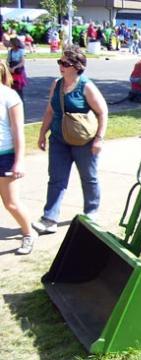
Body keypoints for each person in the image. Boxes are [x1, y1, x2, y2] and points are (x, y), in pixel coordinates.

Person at [32, 45, 108, 235]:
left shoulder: (86, 86)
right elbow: (50, 110)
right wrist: (42, 134)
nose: (61, 65)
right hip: (58, 139)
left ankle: (91, 212)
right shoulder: (56, 84)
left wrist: (99, 138)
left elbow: (102, 111)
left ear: (77, 66)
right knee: (56, 179)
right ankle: (50, 218)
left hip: (84, 141)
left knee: (89, 177)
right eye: (60, 62)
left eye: (65, 63)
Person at [0, 60, 37, 255]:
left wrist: (19, 160)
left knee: (11, 203)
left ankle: (28, 234)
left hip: (5, 156)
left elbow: (18, 131)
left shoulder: (9, 96)